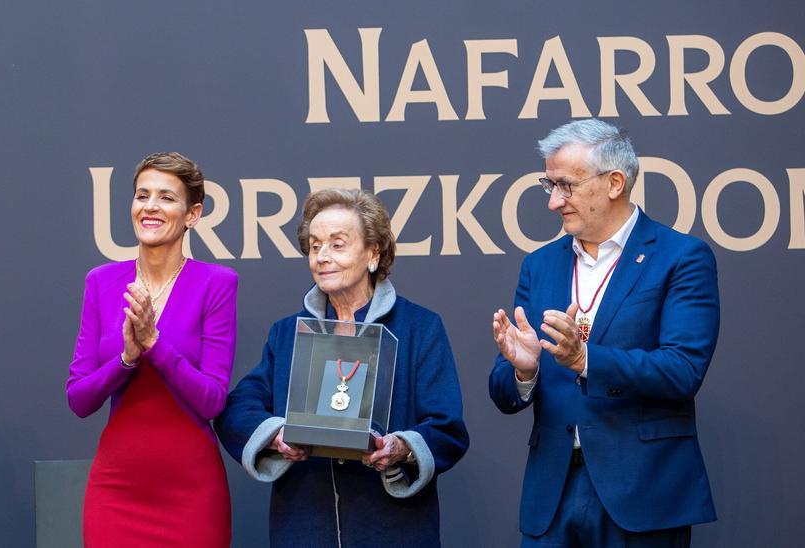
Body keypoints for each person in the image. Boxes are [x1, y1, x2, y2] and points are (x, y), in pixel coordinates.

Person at [490, 119, 719, 546]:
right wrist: (524, 372)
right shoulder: (538, 266)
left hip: (641, 493)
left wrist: (585, 360)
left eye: (566, 186)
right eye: (549, 185)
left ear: (615, 182)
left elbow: (683, 370)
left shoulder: (681, 257)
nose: (553, 202)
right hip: (551, 495)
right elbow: (503, 392)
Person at [215, 188, 468, 547]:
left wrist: (400, 447)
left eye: (337, 244)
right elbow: (237, 409)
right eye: (315, 246)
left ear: (373, 252)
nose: (322, 257)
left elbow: (447, 429)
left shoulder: (420, 327)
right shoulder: (287, 333)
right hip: (305, 526)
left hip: (392, 529)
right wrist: (276, 435)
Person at [66, 152, 237, 547]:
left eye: (166, 197)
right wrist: (126, 358)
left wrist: (154, 346)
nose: (151, 207)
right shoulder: (102, 282)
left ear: (192, 214)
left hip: (191, 491)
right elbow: (78, 398)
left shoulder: (217, 284)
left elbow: (212, 400)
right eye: (142, 195)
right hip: (117, 489)